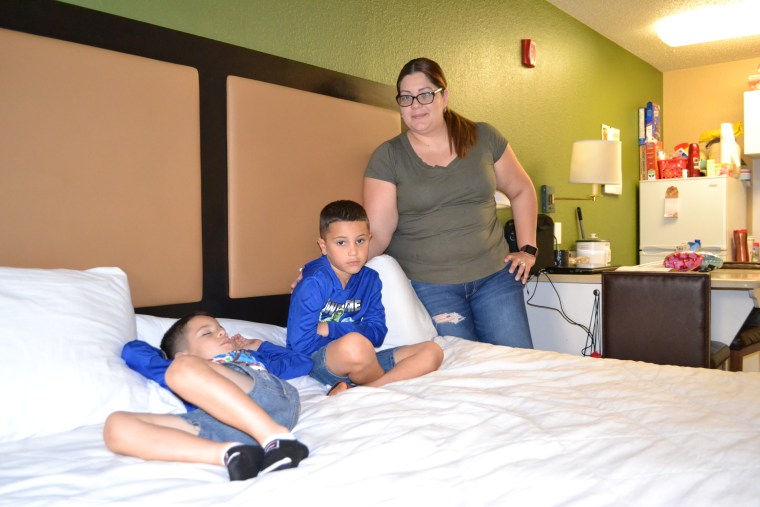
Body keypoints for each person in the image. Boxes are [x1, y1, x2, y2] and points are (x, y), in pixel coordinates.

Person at [362, 57, 537, 348]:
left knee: (517, 368)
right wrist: (330, 269)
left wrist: (528, 249)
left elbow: (522, 190)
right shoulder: (388, 157)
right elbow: (378, 234)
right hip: (430, 287)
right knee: (462, 375)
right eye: (406, 98)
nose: (415, 105)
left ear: (444, 97)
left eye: (425, 94)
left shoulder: (484, 137)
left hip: (496, 278)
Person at [105, 312, 311, 481]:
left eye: (222, 330)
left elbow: (302, 362)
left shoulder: (247, 358)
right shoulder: (178, 366)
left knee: (181, 370)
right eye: (207, 333)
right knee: (116, 425)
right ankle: (233, 454)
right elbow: (132, 350)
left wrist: (257, 344)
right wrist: (173, 358)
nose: (222, 333)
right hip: (221, 425)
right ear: (184, 353)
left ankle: (278, 439)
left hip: (268, 398)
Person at [286, 199, 443, 395]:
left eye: (360, 241)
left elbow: (377, 333)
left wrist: (331, 328)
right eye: (341, 243)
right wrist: (351, 338)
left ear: (370, 239)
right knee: (355, 344)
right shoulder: (314, 283)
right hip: (320, 362)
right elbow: (299, 344)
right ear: (323, 246)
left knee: (432, 351)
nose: (353, 252)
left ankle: (360, 390)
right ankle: (378, 382)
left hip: (364, 358)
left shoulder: (370, 279)